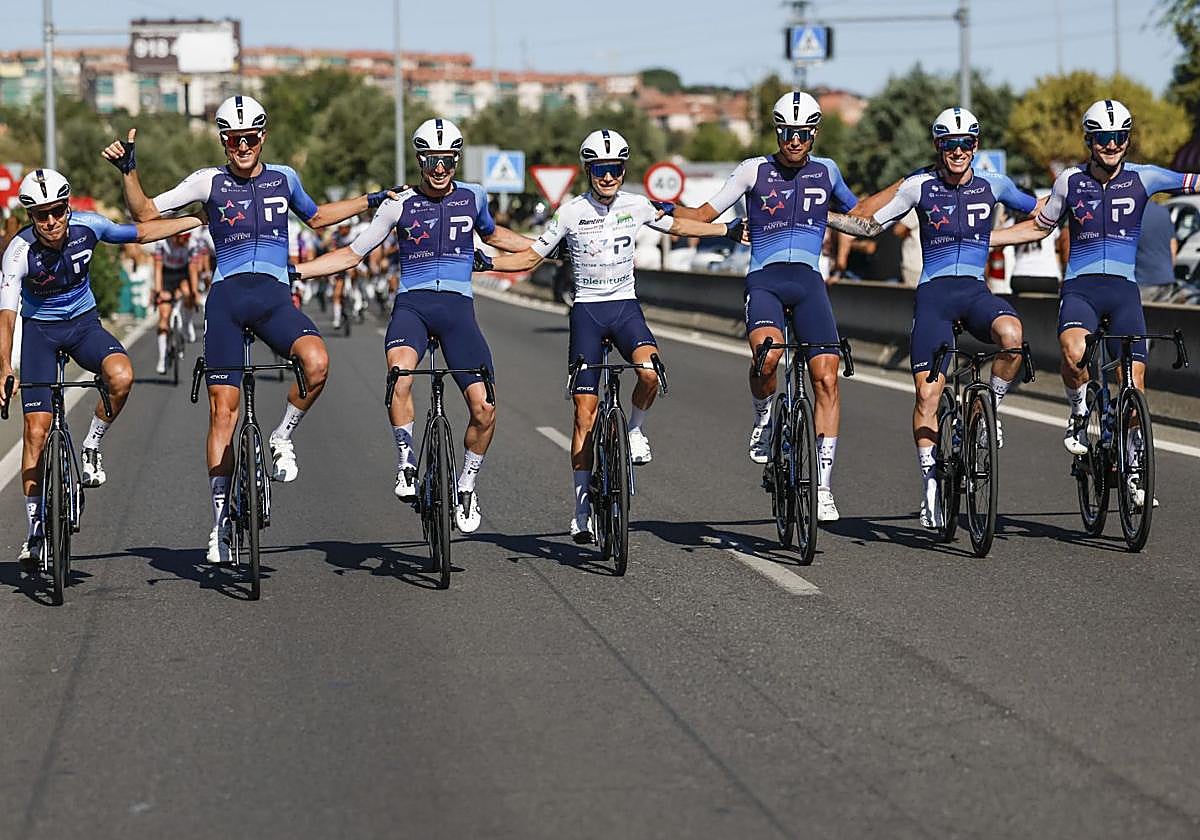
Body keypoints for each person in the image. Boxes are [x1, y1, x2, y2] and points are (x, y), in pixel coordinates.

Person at [100, 95, 399, 563]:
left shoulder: (285, 178)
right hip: (227, 302)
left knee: (317, 363)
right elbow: (145, 215)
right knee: (224, 411)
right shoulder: (208, 181)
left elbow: (317, 217)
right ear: (223, 141)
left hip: (276, 299)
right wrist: (129, 172)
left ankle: (281, 436)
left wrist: (373, 199)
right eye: (234, 139)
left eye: (251, 138)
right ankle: (219, 522)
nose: (243, 146)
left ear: (263, 137)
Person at [479, 129, 745, 541]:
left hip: (625, 309)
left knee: (650, 372)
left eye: (616, 169)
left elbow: (676, 227)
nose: (608, 177)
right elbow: (533, 255)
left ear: (624, 171)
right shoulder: (569, 213)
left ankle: (635, 429)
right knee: (584, 413)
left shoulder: (637, 205)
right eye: (601, 169)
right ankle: (581, 507)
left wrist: (727, 230)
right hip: (587, 312)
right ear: (589, 170)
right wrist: (485, 261)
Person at [291, 118, 530, 534]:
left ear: (456, 159)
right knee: (400, 374)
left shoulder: (473, 197)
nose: (440, 168)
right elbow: (352, 253)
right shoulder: (397, 204)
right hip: (413, 307)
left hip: (458, 310)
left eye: (449, 160)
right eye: (432, 160)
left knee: (485, 408)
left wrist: (549, 244)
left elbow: (495, 237)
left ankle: (467, 484)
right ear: (420, 160)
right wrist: (298, 271)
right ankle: (405, 462)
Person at [828, 107, 1038, 530]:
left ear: (975, 146)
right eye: (949, 144)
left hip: (977, 293)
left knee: (1012, 336)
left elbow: (1042, 219)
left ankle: (989, 408)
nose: (957, 151)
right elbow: (869, 227)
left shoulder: (996, 185)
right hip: (934, 299)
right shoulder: (919, 186)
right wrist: (819, 217)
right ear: (938, 146)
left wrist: (992, 237)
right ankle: (929, 485)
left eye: (965, 143)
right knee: (927, 395)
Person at [990, 98, 1199, 509]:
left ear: (1127, 138)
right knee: (1074, 353)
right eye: (1103, 137)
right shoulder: (1069, 181)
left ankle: (1135, 463)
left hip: (1124, 290)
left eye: (1119, 136)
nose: (1112, 144)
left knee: (1135, 383)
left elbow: (1194, 180)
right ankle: (1080, 411)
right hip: (1081, 289)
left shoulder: (1146, 178)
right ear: (1089, 140)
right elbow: (1040, 225)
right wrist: (988, 239)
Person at [0, 168, 203, 567]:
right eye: (41, 215)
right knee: (36, 433)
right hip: (40, 333)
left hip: (84, 326)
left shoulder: (89, 227)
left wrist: (197, 218)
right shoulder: (18, 252)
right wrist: (3, 365)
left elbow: (142, 233)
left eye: (57, 211)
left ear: (68, 207)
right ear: (30, 217)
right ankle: (35, 529)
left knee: (121, 377)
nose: (52, 221)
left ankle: (91, 445)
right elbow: (7, 315)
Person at [672, 91, 858, 521]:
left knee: (827, 377)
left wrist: (894, 220)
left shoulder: (827, 172)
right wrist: (660, 210)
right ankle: (764, 416)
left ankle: (824, 487)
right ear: (778, 132)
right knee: (768, 356)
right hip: (766, 281)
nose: (794, 141)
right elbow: (703, 211)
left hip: (810, 282)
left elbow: (858, 215)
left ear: (814, 134)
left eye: (803, 134)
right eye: (787, 133)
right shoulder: (754, 170)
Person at [152, 229, 199, 372]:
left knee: (188, 292)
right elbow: (158, 268)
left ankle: (187, 323)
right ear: (173, 236)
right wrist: (159, 292)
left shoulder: (191, 244)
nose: (182, 243)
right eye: (180, 240)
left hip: (182, 274)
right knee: (164, 316)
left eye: (185, 240)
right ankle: (162, 357)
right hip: (166, 275)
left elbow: (192, 270)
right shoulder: (162, 243)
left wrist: (194, 292)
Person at [1134, 198, 1178, 303]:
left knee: (1141, 318)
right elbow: (1173, 246)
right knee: (1162, 318)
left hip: (1144, 280)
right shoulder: (1163, 211)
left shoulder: (1131, 214)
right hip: (1166, 279)